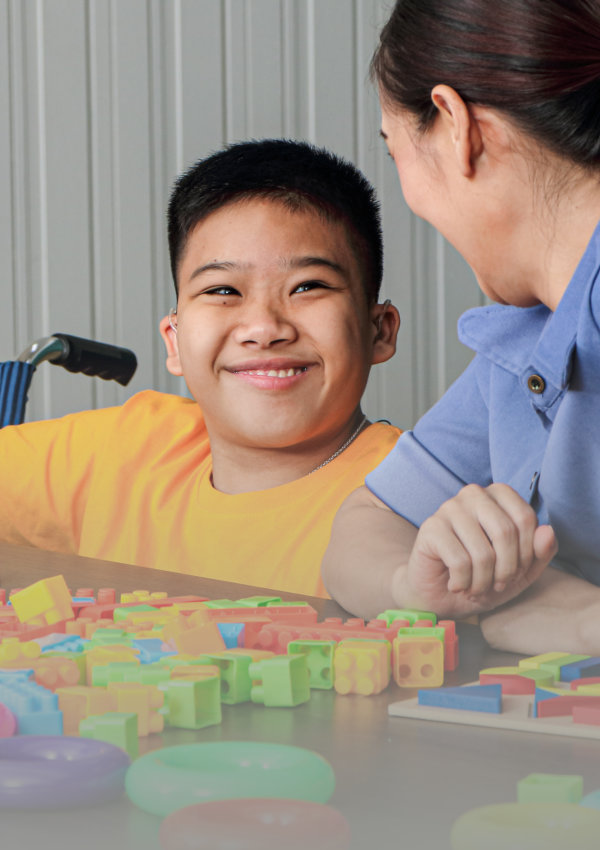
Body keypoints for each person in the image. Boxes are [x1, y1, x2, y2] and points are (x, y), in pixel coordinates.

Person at [0, 139, 401, 598]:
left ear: (379, 330)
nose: (264, 328)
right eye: (223, 291)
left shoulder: (421, 495)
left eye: (308, 286)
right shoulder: (127, 449)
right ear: (174, 341)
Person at [322, 0, 600, 653]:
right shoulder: (526, 338)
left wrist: (584, 622)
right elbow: (366, 522)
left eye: (395, 150)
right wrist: (415, 587)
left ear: (456, 126)